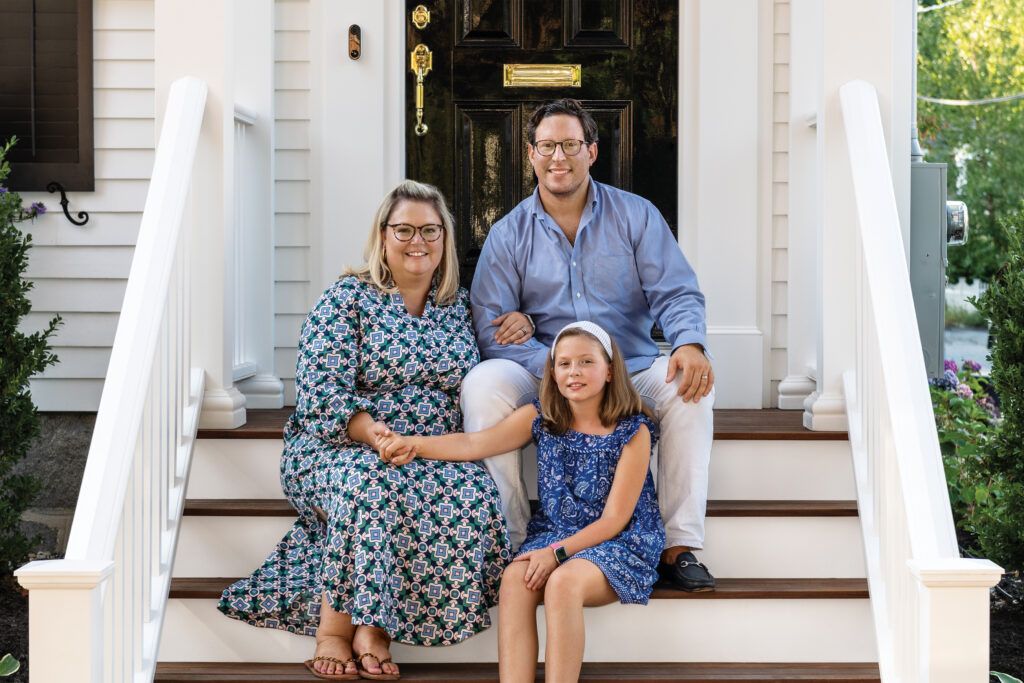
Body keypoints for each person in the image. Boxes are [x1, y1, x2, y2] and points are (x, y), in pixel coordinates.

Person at [218, 180, 526, 681]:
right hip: (338, 442)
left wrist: (523, 323)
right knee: (370, 487)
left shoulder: (460, 307)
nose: (417, 241)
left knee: (472, 493)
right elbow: (321, 392)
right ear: (383, 236)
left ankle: (376, 626)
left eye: (429, 230)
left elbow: (504, 349)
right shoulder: (346, 299)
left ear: (445, 239)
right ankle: (341, 631)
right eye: (403, 229)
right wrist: (376, 434)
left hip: (429, 448)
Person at [463, 97, 716, 592]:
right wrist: (560, 370)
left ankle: (678, 544)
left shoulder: (636, 216)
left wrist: (689, 343)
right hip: (545, 368)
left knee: (692, 391)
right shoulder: (508, 233)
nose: (559, 157)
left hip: (631, 365)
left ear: (592, 152)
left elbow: (677, 291)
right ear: (530, 155)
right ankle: (511, 540)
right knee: (483, 385)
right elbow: (491, 328)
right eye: (547, 146)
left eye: (571, 145)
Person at [374, 322, 665, 683]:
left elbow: (615, 519)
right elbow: (474, 444)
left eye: (586, 362)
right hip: (556, 531)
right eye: (564, 363)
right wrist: (414, 444)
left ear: (609, 370)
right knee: (514, 579)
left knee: (563, 584)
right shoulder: (544, 416)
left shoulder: (631, 430)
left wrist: (556, 554)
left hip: (619, 542)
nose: (574, 372)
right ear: (553, 372)